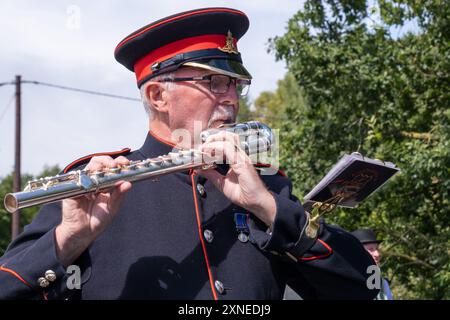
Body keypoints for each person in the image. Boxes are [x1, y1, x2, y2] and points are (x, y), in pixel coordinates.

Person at [0, 7, 379, 300]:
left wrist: (270, 209)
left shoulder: (265, 187)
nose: (230, 97)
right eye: (213, 82)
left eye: (235, 84)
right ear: (157, 95)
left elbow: (367, 287)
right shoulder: (93, 188)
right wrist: (67, 241)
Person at [351, 229, 394, 300]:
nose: (377, 254)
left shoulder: (383, 284)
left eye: (377, 249)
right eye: (371, 249)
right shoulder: (344, 283)